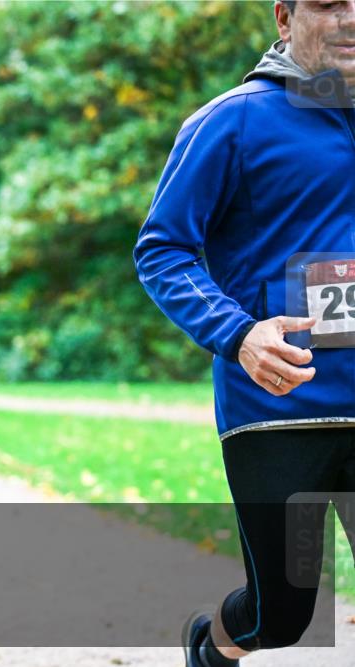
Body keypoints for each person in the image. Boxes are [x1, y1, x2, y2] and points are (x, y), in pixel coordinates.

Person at [133, 2, 354, 665]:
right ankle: (213, 647)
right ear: (286, 19)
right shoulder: (231, 122)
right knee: (281, 613)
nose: (350, 19)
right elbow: (162, 249)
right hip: (278, 409)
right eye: (328, 4)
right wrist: (239, 333)